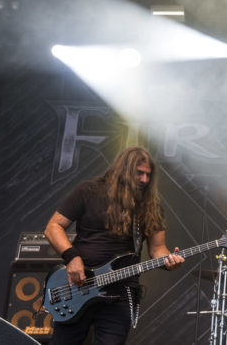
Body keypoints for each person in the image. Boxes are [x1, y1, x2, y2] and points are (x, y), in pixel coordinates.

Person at [44, 146, 185, 345]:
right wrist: (72, 257)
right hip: (78, 286)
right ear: (124, 170)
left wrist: (169, 261)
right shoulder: (88, 191)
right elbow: (53, 227)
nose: (145, 179)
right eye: (139, 173)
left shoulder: (150, 206)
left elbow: (157, 249)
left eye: (148, 175)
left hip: (120, 292)